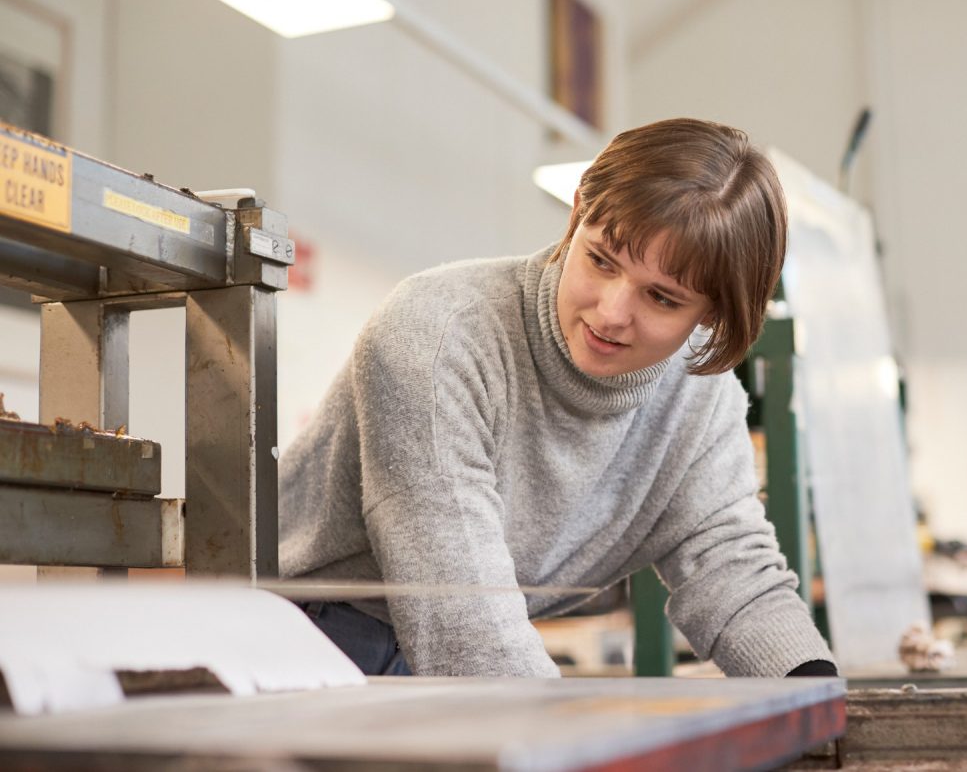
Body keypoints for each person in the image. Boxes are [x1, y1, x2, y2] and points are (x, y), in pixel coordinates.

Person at [279, 118, 837, 678]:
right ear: (576, 218)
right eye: (601, 260)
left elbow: (730, 567)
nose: (612, 313)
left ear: (711, 313)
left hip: (462, 644)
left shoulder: (700, 400)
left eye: (662, 298)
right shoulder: (438, 333)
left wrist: (819, 699)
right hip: (313, 639)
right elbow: (459, 609)